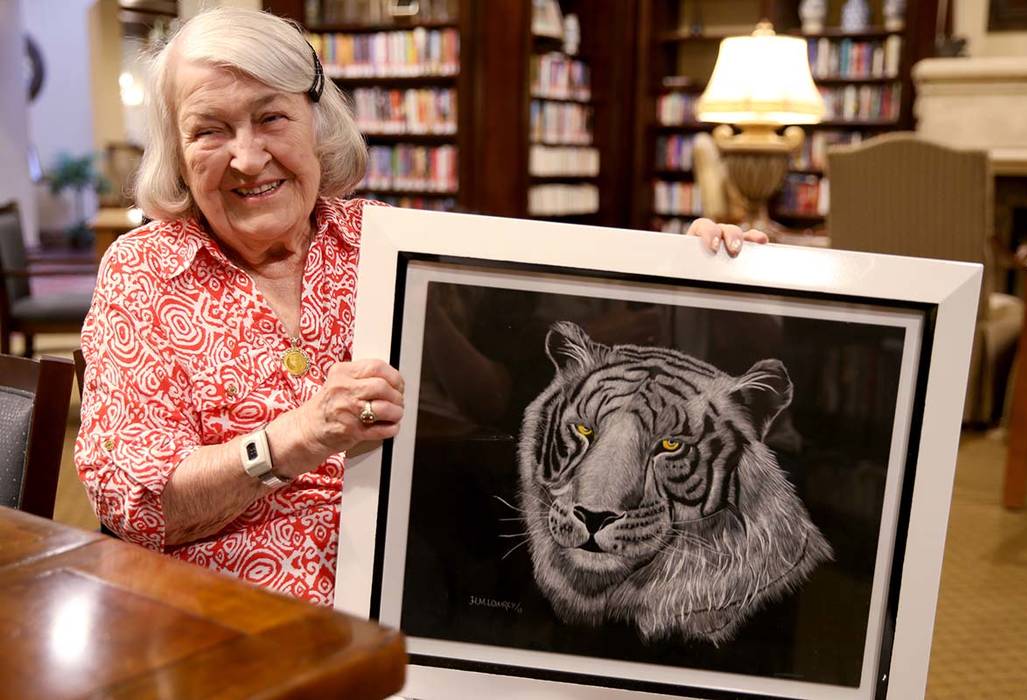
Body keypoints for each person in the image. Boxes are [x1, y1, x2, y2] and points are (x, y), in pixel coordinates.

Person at [74, 7, 768, 606]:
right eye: (210, 131)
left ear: (316, 123)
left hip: (419, 608)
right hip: (228, 625)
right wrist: (294, 439)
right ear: (176, 150)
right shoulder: (143, 275)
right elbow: (135, 505)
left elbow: (497, 393)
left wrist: (694, 271)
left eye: (271, 118)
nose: (249, 158)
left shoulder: (390, 245)